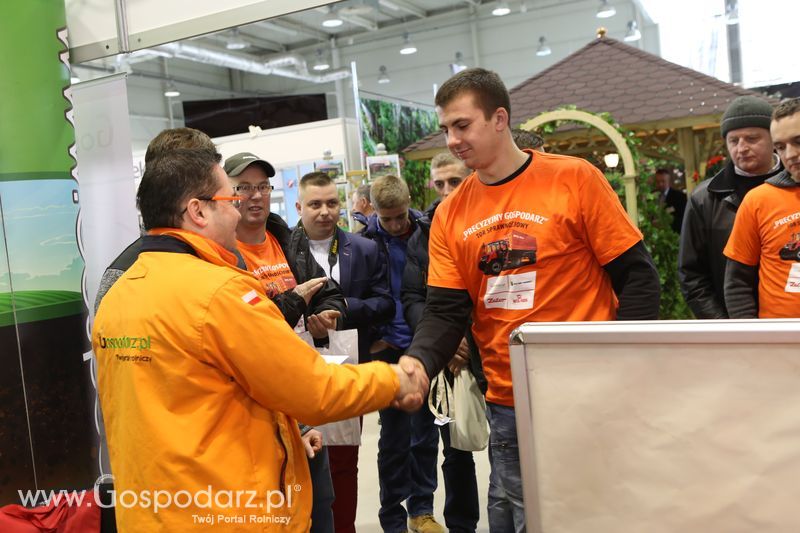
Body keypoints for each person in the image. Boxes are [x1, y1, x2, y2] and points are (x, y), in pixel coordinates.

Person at [93, 148, 427, 532]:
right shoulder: (219, 293)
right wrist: (395, 380)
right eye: (230, 199)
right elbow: (312, 389)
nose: (239, 211)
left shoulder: (120, 293)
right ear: (198, 211)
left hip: (153, 511)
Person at [402, 67, 660, 532]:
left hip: (588, 390)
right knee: (520, 513)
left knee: (591, 510)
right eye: (446, 129)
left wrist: (627, 366)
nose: (453, 139)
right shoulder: (449, 215)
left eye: (462, 125)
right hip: (507, 396)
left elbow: (637, 278)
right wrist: (418, 363)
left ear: (499, 118)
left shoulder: (574, 179)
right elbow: (445, 309)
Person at [292, 171, 395, 533]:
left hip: (347, 364)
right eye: (315, 204)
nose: (324, 212)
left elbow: (385, 303)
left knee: (344, 461)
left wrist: (343, 310)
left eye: (332, 203)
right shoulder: (284, 251)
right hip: (295, 369)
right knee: (300, 460)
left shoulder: (364, 248)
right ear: (298, 206)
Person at [402, 151, 484, 533]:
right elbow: (414, 298)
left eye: (456, 181)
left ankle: (464, 522)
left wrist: (463, 340)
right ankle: (424, 513)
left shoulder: (486, 218)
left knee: (470, 445)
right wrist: (446, 344)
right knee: (430, 442)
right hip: (438, 353)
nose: (447, 190)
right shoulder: (424, 230)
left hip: (483, 352)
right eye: (440, 183)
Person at [360, 175, 444, 533]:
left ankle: (421, 510)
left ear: (409, 202)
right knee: (393, 437)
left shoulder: (427, 234)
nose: (395, 225)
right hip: (386, 348)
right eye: (387, 218)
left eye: (400, 216)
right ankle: (392, 516)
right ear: (373, 211)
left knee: (425, 433)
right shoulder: (362, 243)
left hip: (422, 343)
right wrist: (372, 338)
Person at [679, 95, 784, 318]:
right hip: (731, 323)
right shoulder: (704, 199)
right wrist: (723, 325)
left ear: (774, 139)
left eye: (752, 138)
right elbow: (691, 274)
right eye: (734, 141)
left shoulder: (794, 186)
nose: (742, 148)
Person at [224, 151, 345, 339]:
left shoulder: (290, 241)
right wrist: (295, 300)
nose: (256, 195)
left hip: (306, 360)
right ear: (226, 194)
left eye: (263, 186)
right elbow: (243, 325)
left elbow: (329, 294)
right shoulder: (220, 254)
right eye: (244, 187)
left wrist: (327, 318)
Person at [723, 97, 800, 318]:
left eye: (799, 141)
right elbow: (737, 283)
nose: (790, 154)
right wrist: (752, 342)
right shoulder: (758, 201)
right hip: (779, 343)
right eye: (781, 147)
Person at [653, 168, 687, 233]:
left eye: (663, 181)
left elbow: (683, 219)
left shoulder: (679, 196)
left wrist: (666, 223)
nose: (660, 184)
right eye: (658, 182)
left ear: (668, 181)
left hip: (673, 234)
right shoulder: (652, 197)